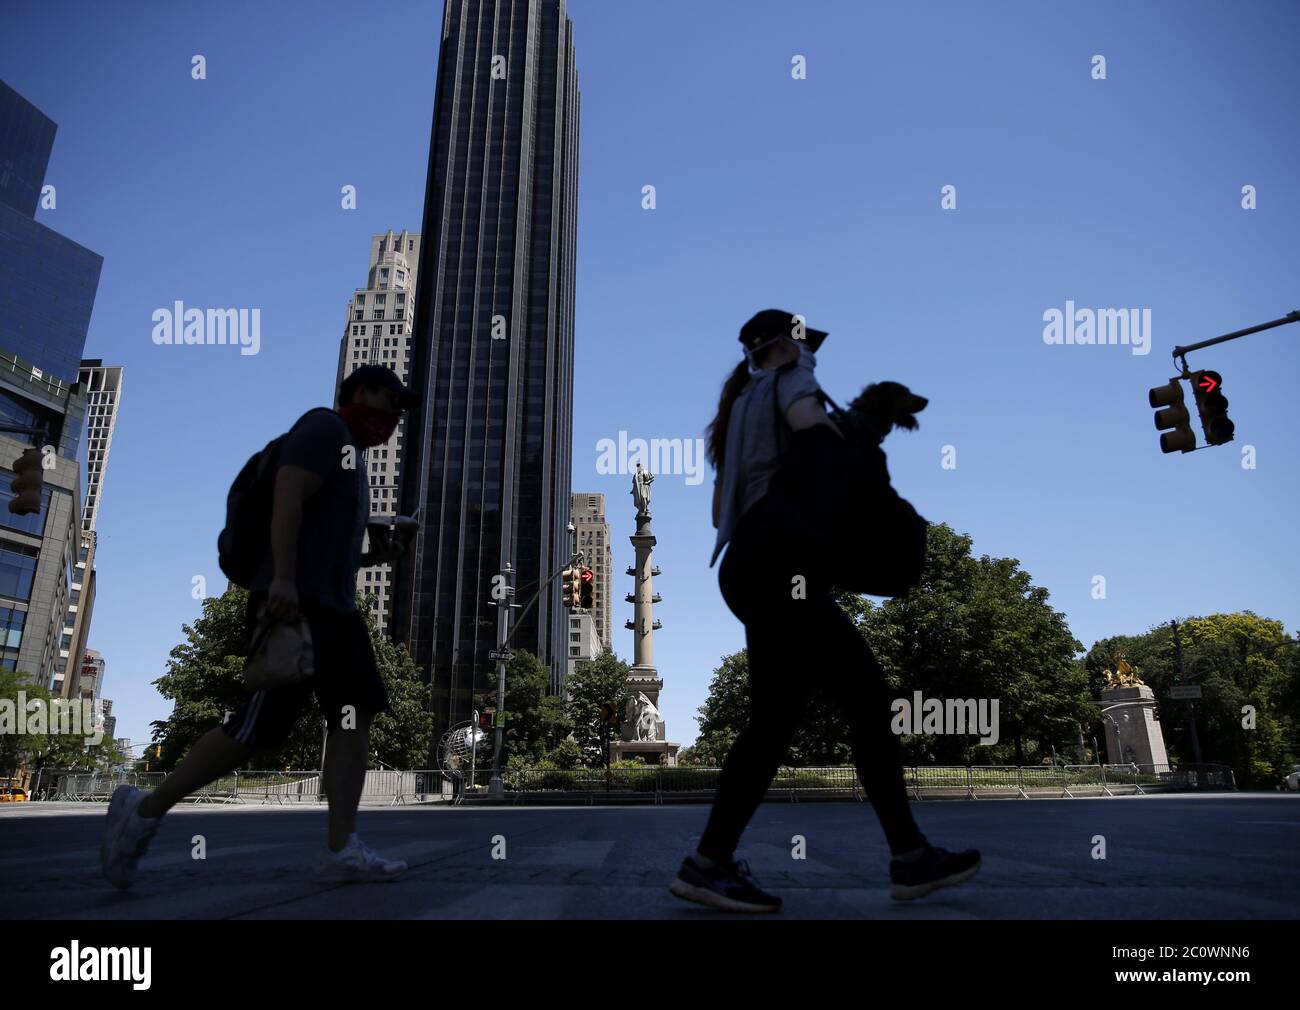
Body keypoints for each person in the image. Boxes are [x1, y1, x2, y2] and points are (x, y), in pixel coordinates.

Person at [669, 309, 981, 913]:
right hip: (783, 567)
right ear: (785, 346)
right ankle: (910, 858)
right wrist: (862, 440)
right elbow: (816, 438)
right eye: (806, 343)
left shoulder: (734, 414)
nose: (812, 353)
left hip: (747, 566)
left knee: (775, 721)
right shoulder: (792, 380)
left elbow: (718, 516)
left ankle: (708, 863)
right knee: (866, 699)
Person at [101, 365, 419, 888]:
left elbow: (327, 550)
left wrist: (373, 557)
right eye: (392, 402)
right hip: (296, 605)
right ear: (360, 392)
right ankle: (142, 811)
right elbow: (287, 494)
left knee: (354, 713)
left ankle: (341, 847)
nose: (393, 417)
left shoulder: (352, 460)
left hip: (333, 608)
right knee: (253, 733)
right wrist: (285, 582)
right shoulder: (325, 429)